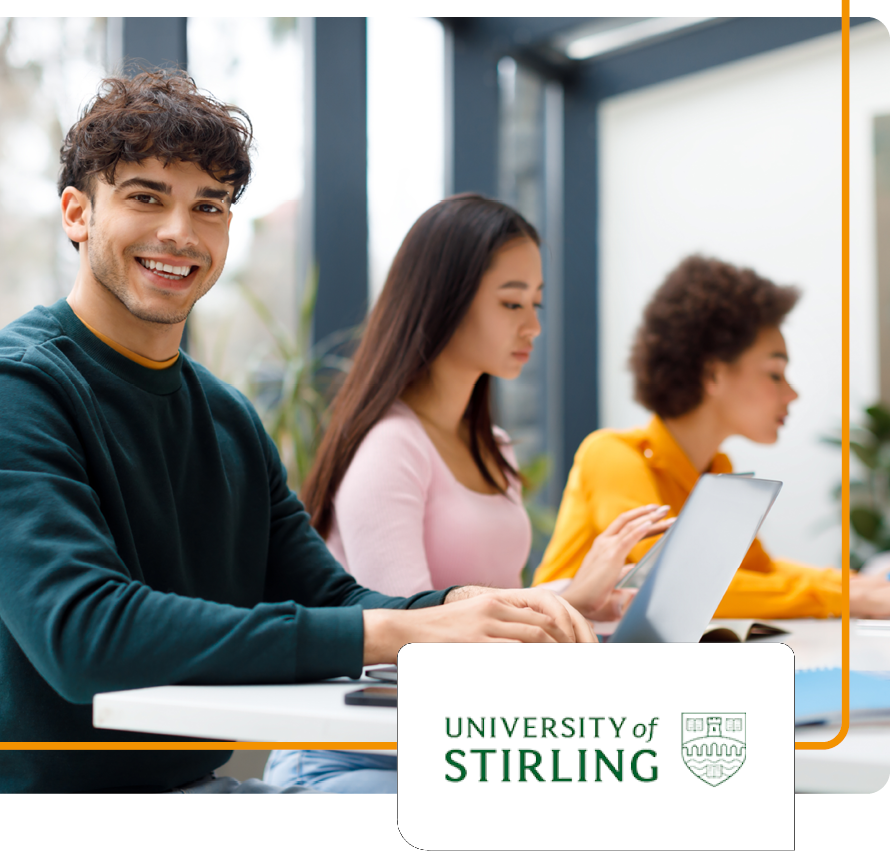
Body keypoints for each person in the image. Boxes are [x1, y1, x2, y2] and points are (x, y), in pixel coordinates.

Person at [0, 72, 599, 794]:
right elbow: (85, 635)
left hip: (187, 795)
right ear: (77, 213)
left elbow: (330, 598)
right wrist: (398, 635)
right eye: (146, 197)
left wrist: (457, 611)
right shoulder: (5, 392)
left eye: (209, 206)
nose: (180, 232)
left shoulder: (228, 418)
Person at [264, 195, 673, 793]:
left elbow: (488, 611)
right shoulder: (390, 447)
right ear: (443, 299)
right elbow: (409, 636)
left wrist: (581, 607)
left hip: (461, 745)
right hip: (365, 759)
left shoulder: (494, 448)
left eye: (535, 303)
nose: (532, 326)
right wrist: (567, 595)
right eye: (511, 303)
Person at [534, 255, 890, 619]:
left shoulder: (716, 469)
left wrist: (857, 585)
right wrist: (846, 597)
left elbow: (758, 572)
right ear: (713, 375)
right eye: (774, 373)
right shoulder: (611, 454)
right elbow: (678, 585)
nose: (792, 394)